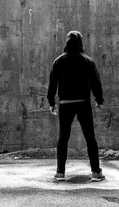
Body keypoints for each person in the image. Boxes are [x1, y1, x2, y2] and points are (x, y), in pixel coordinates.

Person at [47, 30, 105, 182]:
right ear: (81, 42)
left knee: (63, 137)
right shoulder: (87, 61)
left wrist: (51, 102)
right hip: (83, 103)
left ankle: (60, 173)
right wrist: (99, 100)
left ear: (67, 42)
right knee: (90, 137)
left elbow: (52, 83)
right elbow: (96, 83)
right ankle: (96, 172)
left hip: (65, 104)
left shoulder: (58, 61)